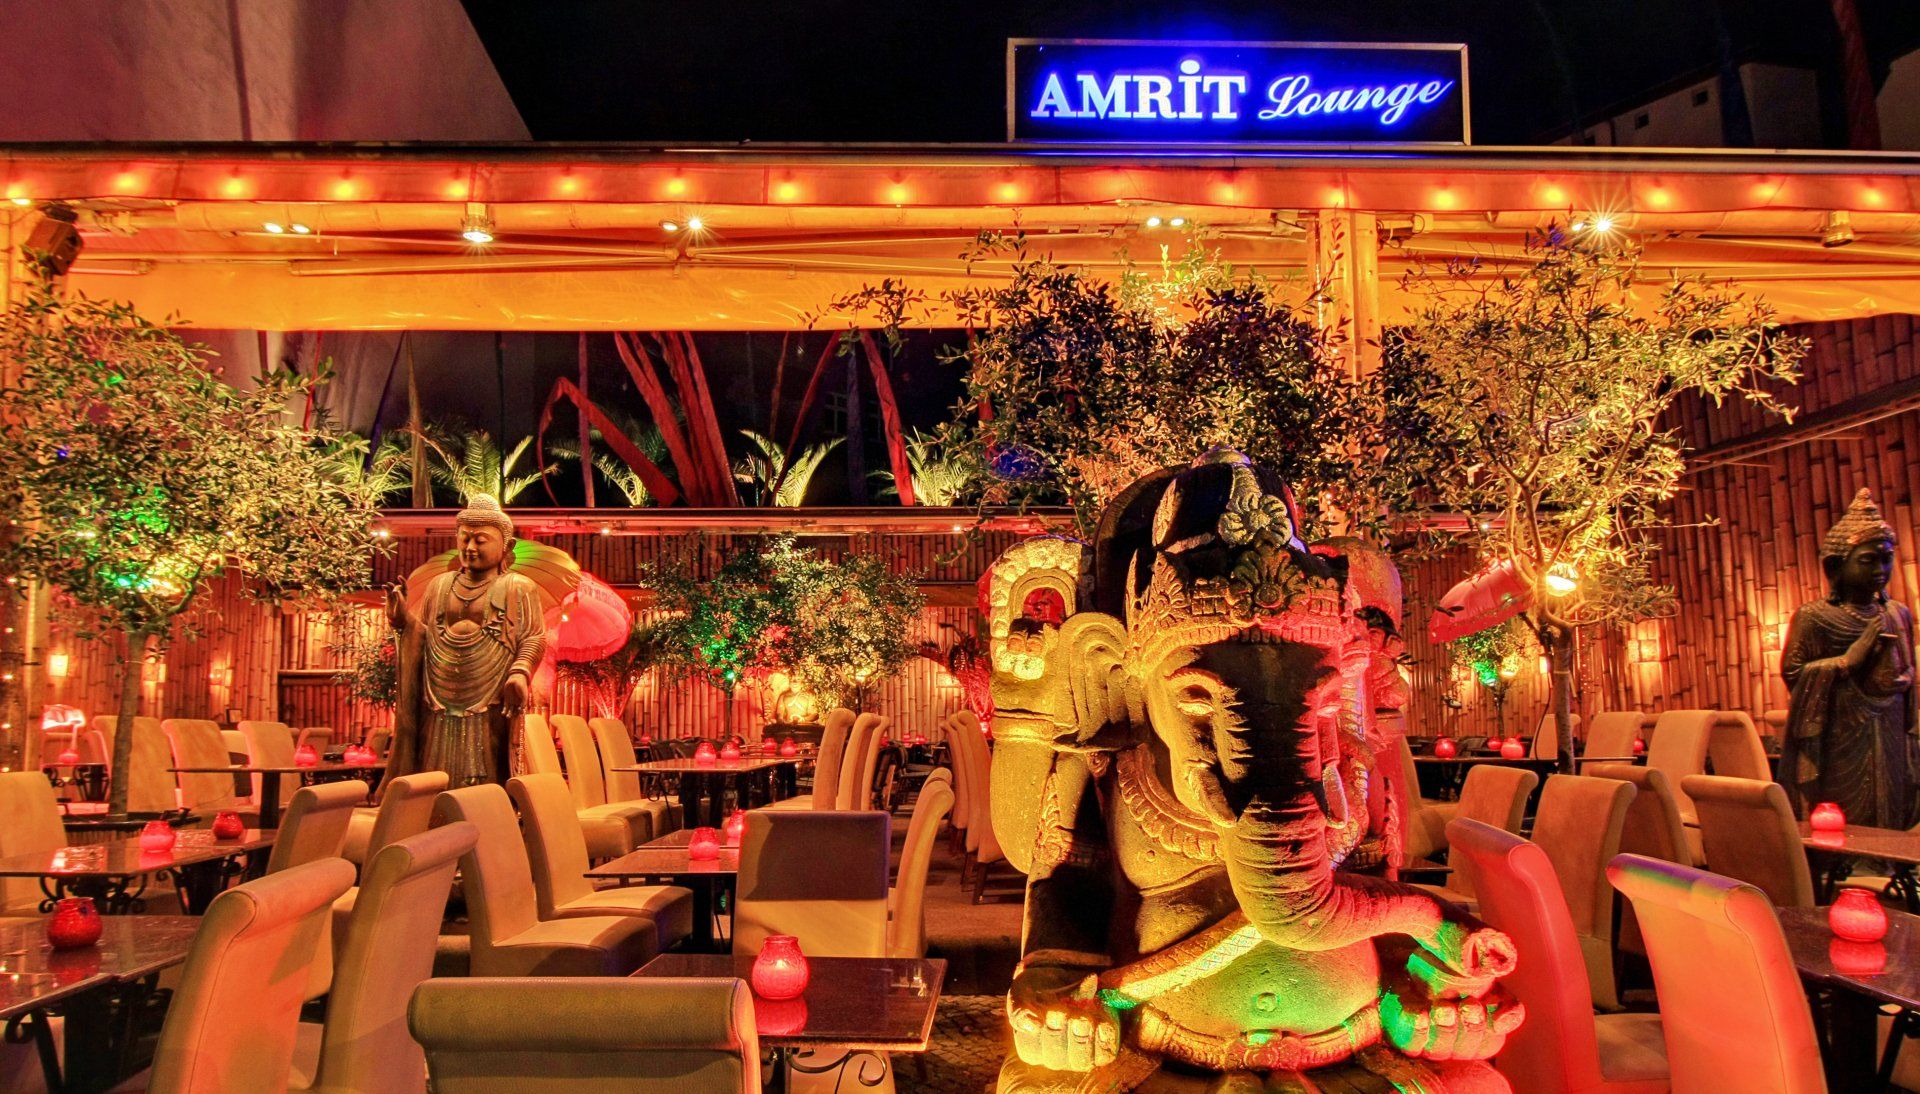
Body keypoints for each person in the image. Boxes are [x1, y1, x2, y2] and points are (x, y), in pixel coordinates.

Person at [387, 495, 547, 787]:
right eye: (464, 539)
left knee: (487, 765)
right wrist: (403, 621)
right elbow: (424, 635)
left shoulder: (518, 587)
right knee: (433, 763)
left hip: (491, 692)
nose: (470, 547)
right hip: (439, 695)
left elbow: (533, 636)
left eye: (480, 540)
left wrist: (520, 672)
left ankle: (488, 810)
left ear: (507, 545)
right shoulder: (439, 586)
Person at [1782, 487, 1919, 827]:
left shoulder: (1897, 613)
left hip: (1891, 725)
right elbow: (1794, 673)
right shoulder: (1816, 617)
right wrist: (1847, 662)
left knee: (1893, 802)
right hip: (1841, 732)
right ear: (1836, 566)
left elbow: (1909, 670)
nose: (1880, 569)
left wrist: (1902, 680)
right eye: (1868, 560)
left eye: (1886, 558)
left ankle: (1890, 856)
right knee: (1845, 812)